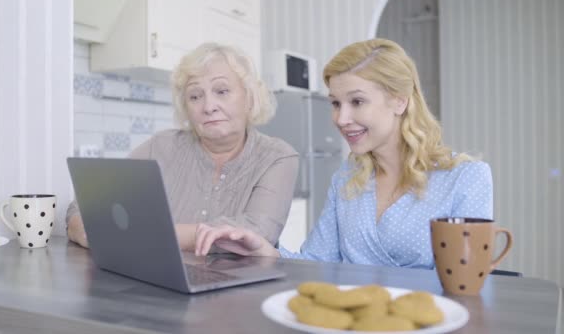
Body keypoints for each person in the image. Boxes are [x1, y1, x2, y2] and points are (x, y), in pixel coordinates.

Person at [193, 38, 493, 270]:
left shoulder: (465, 178)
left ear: (399, 102)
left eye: (357, 102)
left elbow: (466, 288)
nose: (341, 118)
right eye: (336, 104)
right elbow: (315, 263)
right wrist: (262, 250)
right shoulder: (347, 180)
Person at [66, 42, 299, 250]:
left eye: (222, 91)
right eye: (195, 96)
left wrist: (138, 233)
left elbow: (255, 232)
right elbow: (86, 205)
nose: (209, 106)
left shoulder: (278, 157)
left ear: (249, 97)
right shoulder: (162, 146)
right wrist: (85, 231)